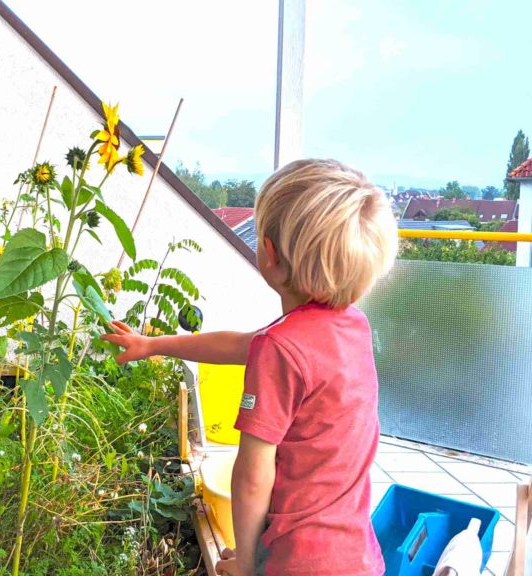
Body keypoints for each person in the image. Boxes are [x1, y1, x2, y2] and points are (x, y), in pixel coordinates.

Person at [102, 159, 398, 576]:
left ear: (270, 253)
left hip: (298, 562)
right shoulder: (351, 327)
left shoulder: (281, 348)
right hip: (356, 556)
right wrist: (153, 344)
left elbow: (252, 475)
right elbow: (243, 344)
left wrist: (244, 560)